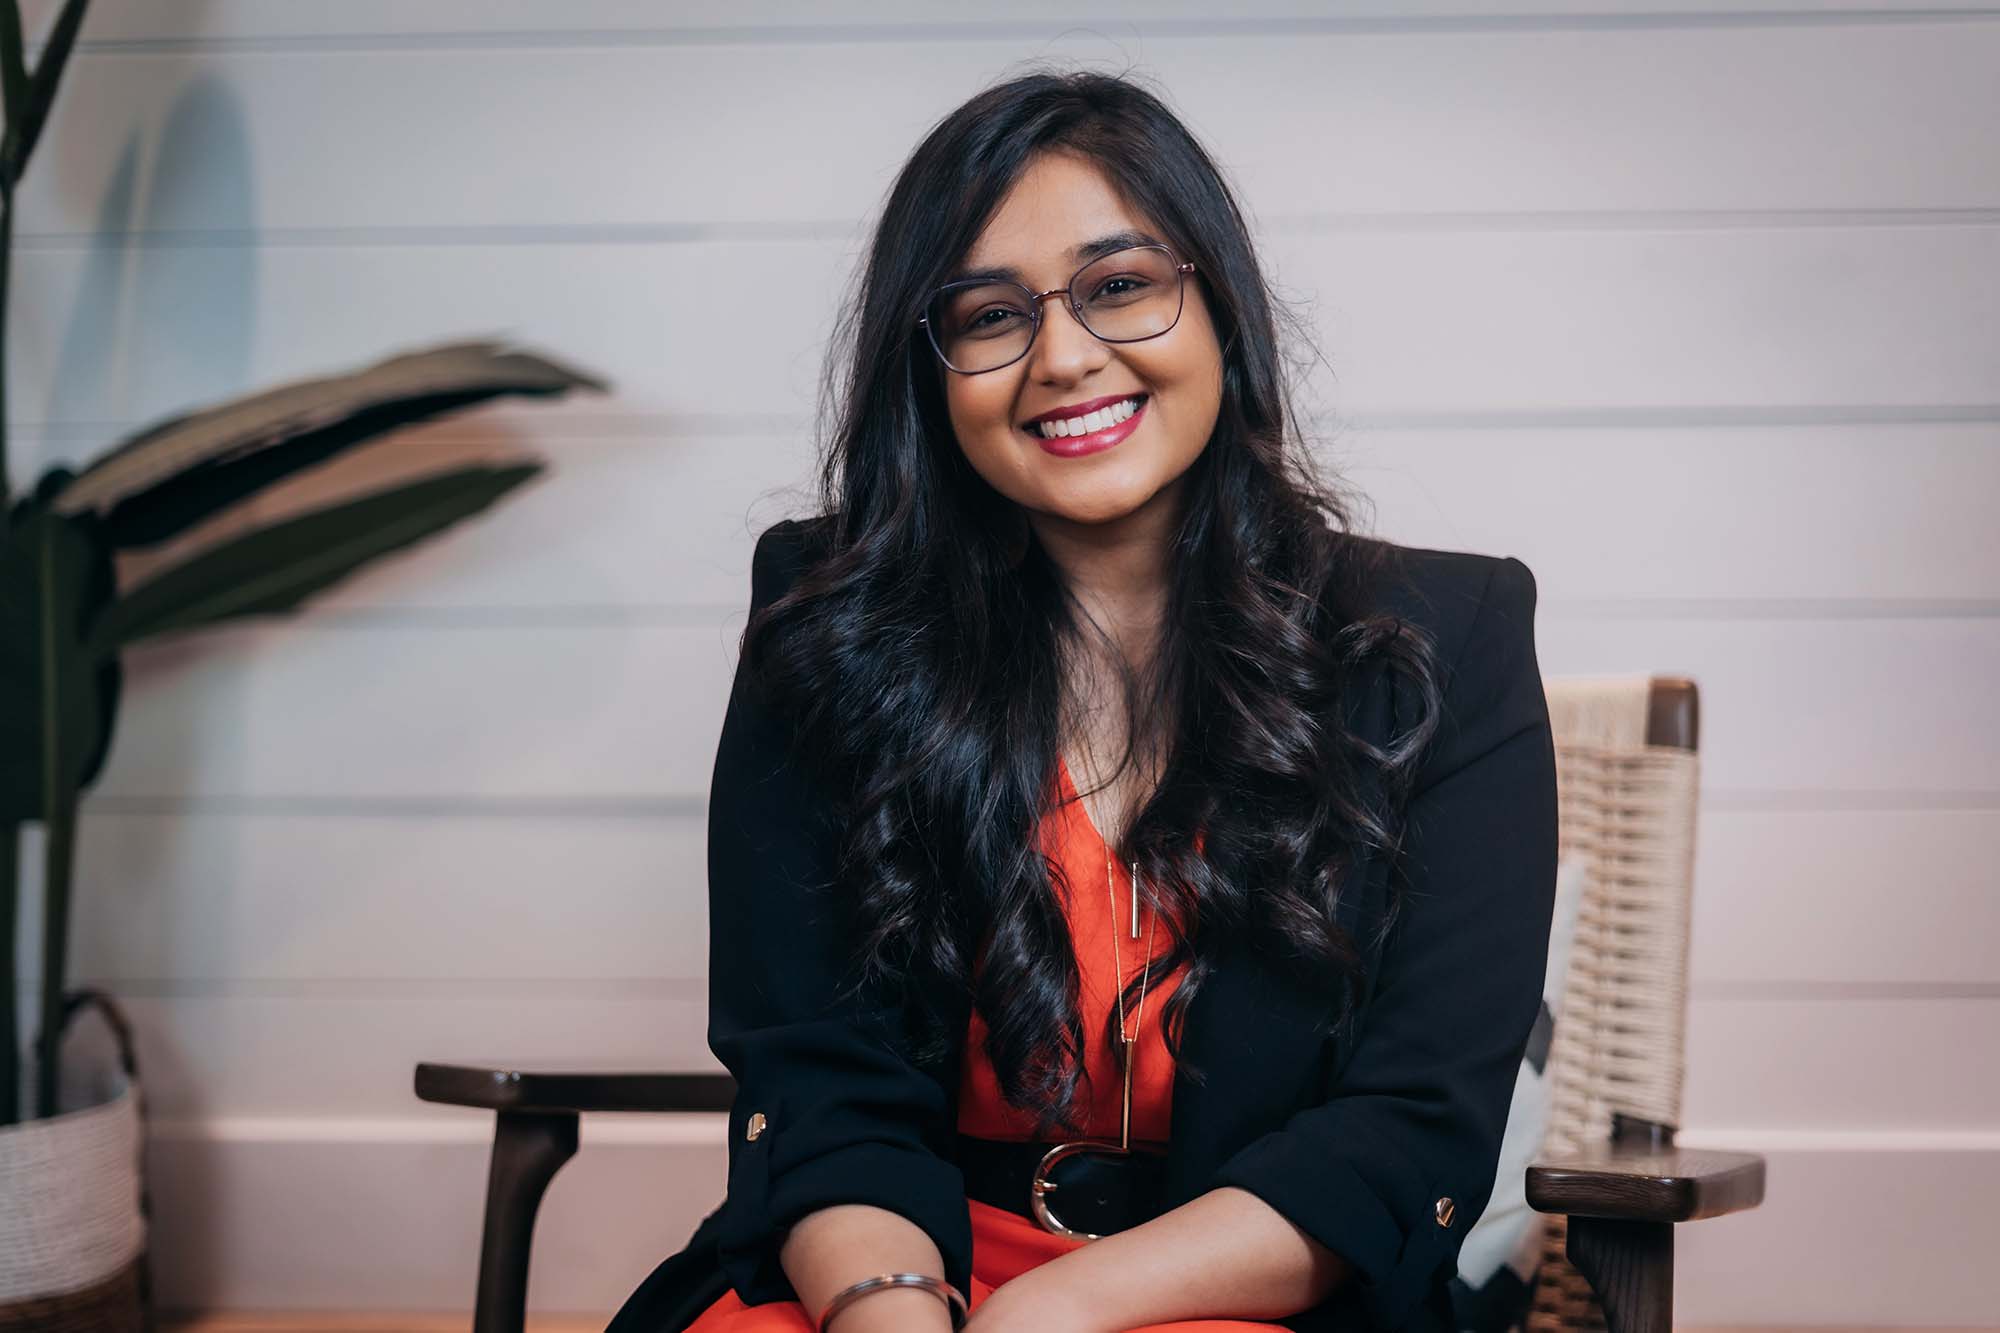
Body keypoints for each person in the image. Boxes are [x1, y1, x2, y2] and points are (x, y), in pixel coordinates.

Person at [606, 69, 1558, 1333]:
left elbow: (1406, 1133)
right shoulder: (824, 624)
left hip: (1250, 1292)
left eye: (1120, 285)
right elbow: (821, 1080)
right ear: (930, 371)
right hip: (890, 1273)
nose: (1061, 356)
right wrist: (897, 1315)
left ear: (1219, 306)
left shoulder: (1443, 645)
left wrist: (1051, 1315)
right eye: (988, 315)